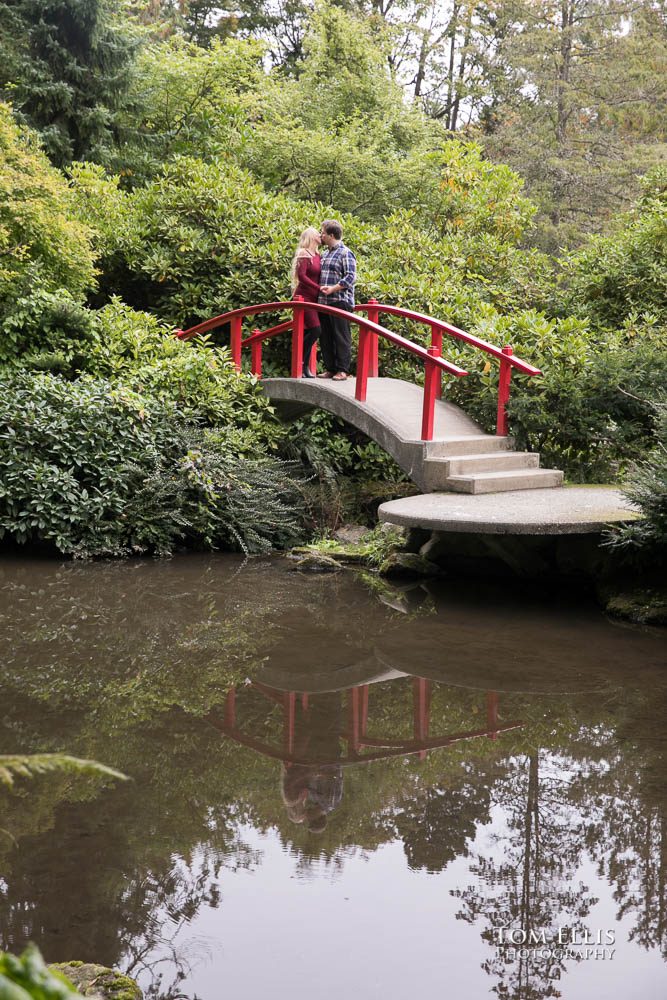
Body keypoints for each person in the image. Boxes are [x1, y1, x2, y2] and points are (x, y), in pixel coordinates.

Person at [317, 219, 357, 381]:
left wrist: (333, 288)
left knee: (341, 337)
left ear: (331, 235)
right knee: (325, 337)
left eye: (323, 233)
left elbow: (350, 277)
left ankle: (343, 370)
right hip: (323, 302)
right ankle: (330, 368)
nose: (321, 235)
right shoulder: (325, 253)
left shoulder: (345, 253)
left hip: (340, 300)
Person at [290, 226, 322, 378]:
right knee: (316, 330)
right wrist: (318, 288)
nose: (320, 235)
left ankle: (305, 367)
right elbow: (302, 276)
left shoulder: (318, 254)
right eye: (318, 234)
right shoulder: (304, 253)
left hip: (315, 297)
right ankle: (301, 364)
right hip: (305, 297)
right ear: (312, 237)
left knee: (311, 331)